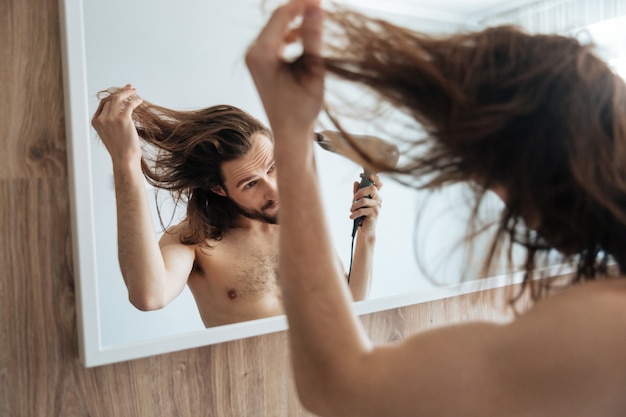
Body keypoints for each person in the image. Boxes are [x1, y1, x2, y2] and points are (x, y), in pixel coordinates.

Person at [245, 0, 626, 415]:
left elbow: (341, 384)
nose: (505, 205)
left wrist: (292, 135)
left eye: (494, 183)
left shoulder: (601, 326)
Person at [91, 87, 383, 327]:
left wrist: (367, 237)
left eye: (273, 167)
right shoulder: (195, 241)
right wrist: (126, 162)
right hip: (250, 389)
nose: (274, 189)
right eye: (250, 184)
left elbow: (349, 311)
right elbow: (149, 296)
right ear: (218, 189)